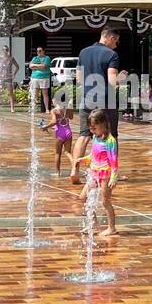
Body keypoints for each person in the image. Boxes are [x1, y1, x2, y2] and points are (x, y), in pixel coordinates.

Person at [70, 28, 121, 184]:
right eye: (116, 41)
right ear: (110, 38)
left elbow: (79, 78)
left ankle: (74, 170)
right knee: (111, 135)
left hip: (86, 98)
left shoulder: (83, 52)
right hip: (106, 100)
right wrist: (122, 78)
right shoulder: (111, 55)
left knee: (84, 135)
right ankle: (112, 171)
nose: (117, 45)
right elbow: (112, 81)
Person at [73, 107, 119, 236]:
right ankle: (93, 224)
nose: (91, 130)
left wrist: (114, 177)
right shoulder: (95, 138)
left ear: (103, 125)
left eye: (94, 127)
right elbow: (93, 156)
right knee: (83, 197)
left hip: (105, 175)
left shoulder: (110, 141)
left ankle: (112, 228)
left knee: (105, 201)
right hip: (94, 174)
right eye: (90, 127)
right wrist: (82, 160)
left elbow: (114, 161)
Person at [40, 103, 74, 175]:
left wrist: (45, 127)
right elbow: (71, 117)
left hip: (59, 134)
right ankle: (74, 165)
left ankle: (57, 172)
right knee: (68, 152)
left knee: (58, 153)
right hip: (68, 132)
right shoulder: (68, 109)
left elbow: (54, 122)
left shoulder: (54, 111)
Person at [0, 46, 20, 112]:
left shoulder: (11, 58)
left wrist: (14, 74)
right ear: (2, 50)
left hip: (8, 77)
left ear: (8, 50)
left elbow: (17, 66)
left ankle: (12, 108)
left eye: (6, 50)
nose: (5, 51)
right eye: (4, 49)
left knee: (10, 93)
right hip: (0, 77)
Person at [29, 44, 53, 112]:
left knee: (45, 94)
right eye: (37, 51)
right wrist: (39, 66)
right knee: (35, 93)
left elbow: (44, 66)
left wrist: (35, 66)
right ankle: (33, 108)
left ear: (43, 51)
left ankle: (47, 109)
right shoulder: (35, 58)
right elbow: (30, 66)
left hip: (44, 77)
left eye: (40, 51)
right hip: (35, 77)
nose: (38, 52)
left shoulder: (47, 58)